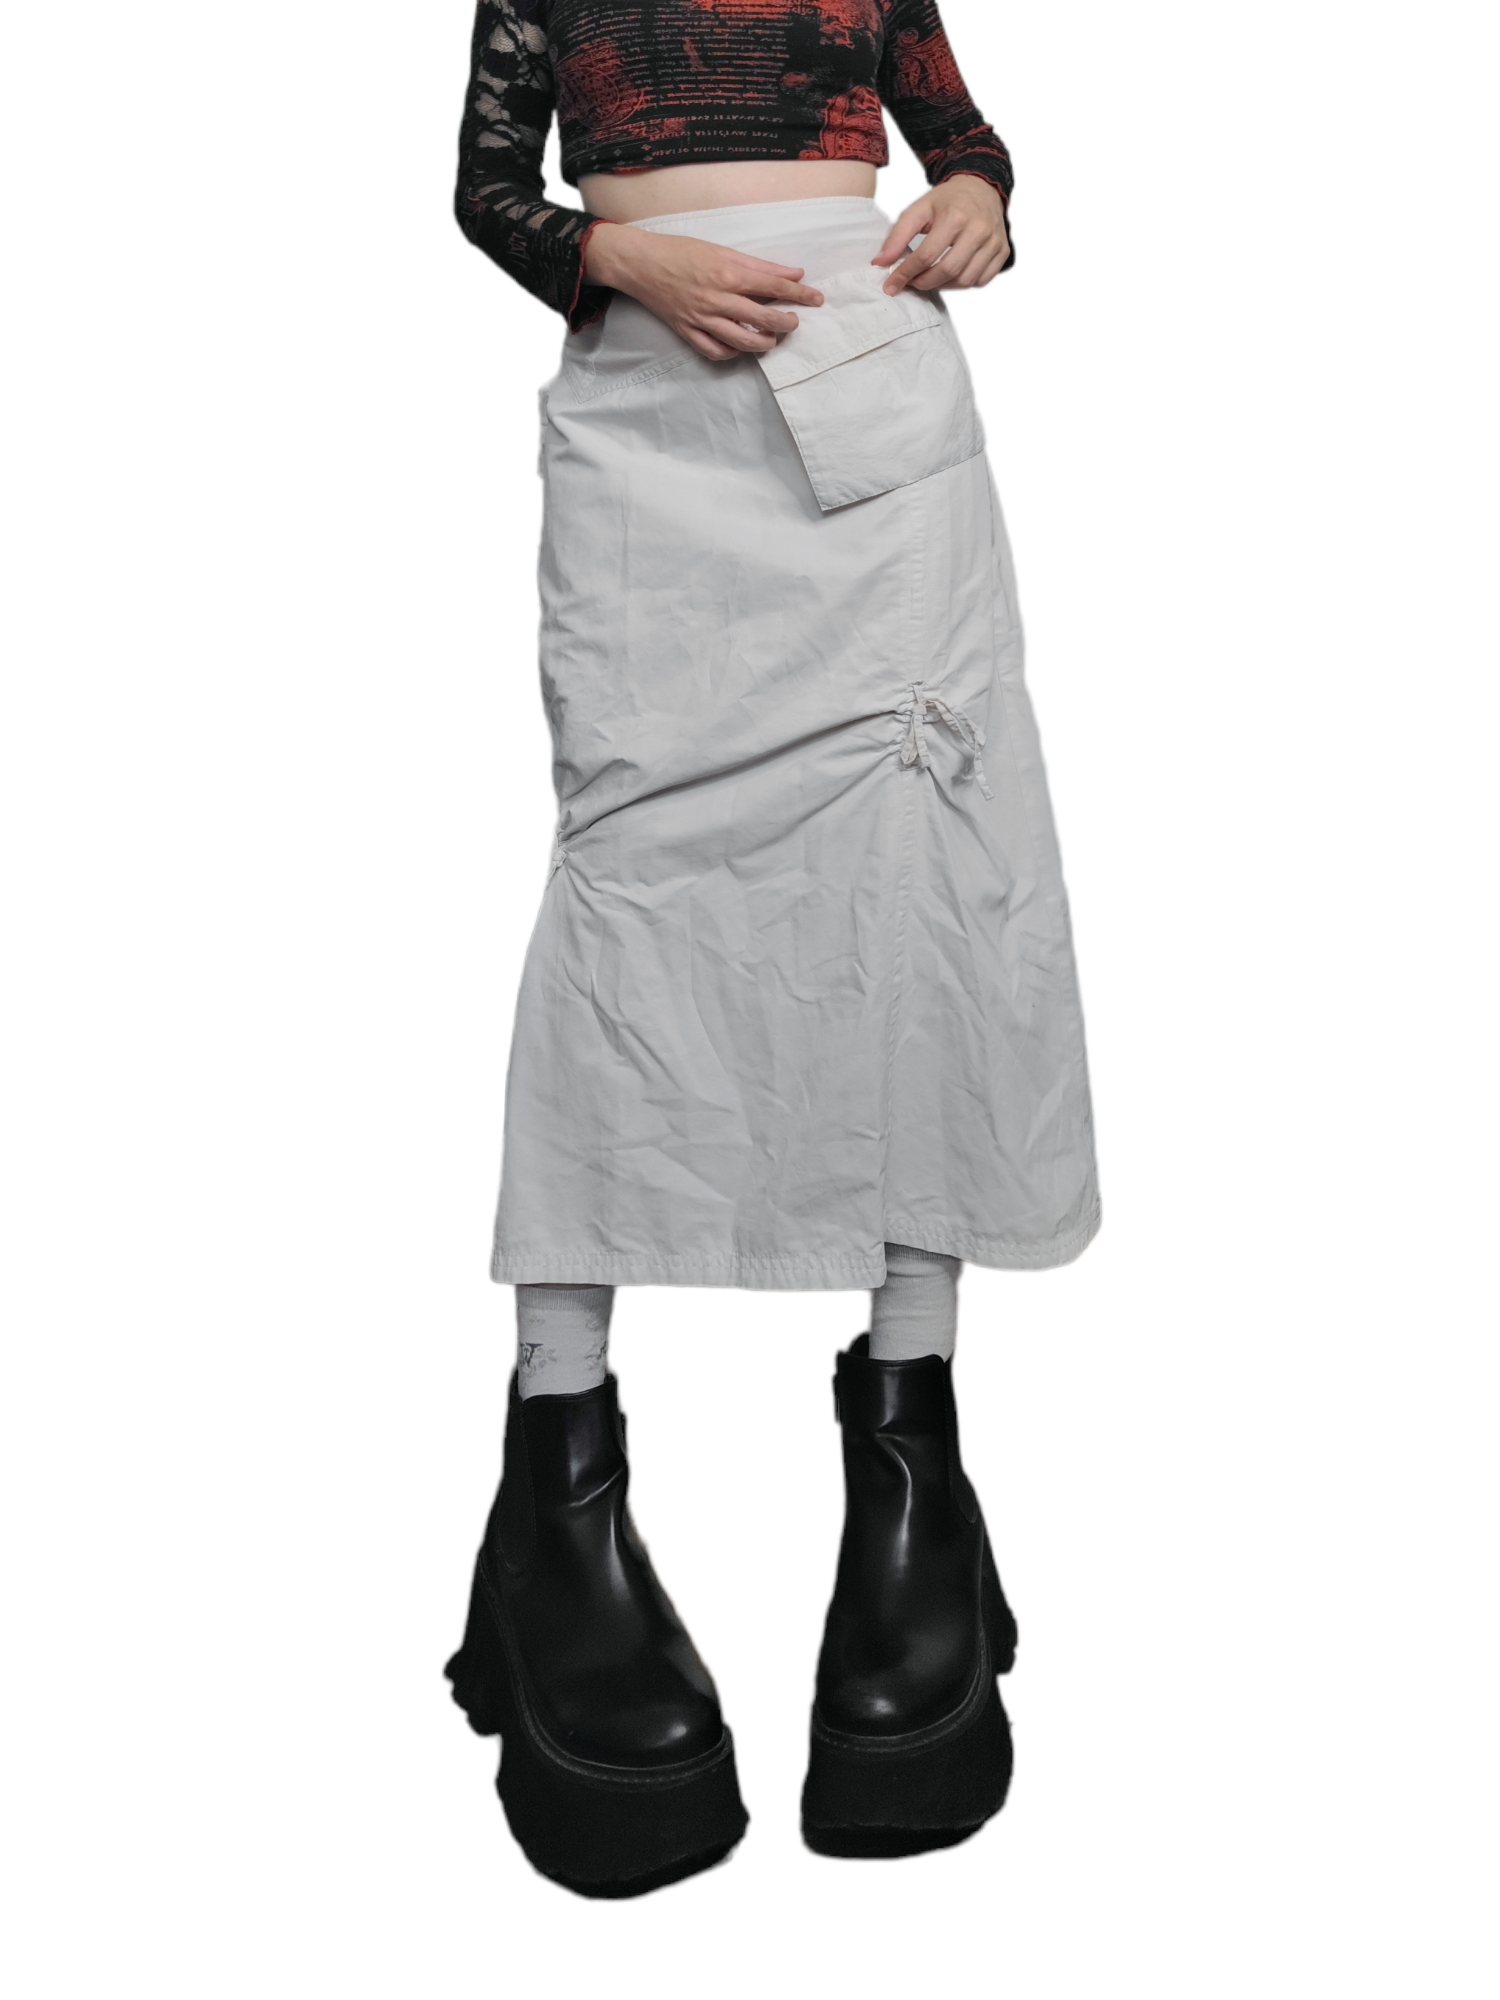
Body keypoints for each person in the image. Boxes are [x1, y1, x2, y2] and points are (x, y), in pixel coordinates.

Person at [443, 0, 1100, 1897]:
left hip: (873, 396)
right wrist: (613, 255)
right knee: (626, 892)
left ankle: (913, 1469)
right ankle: (561, 1464)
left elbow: (963, 143)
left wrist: (981, 203)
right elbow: (486, 189)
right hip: (651, 419)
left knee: (917, 888)